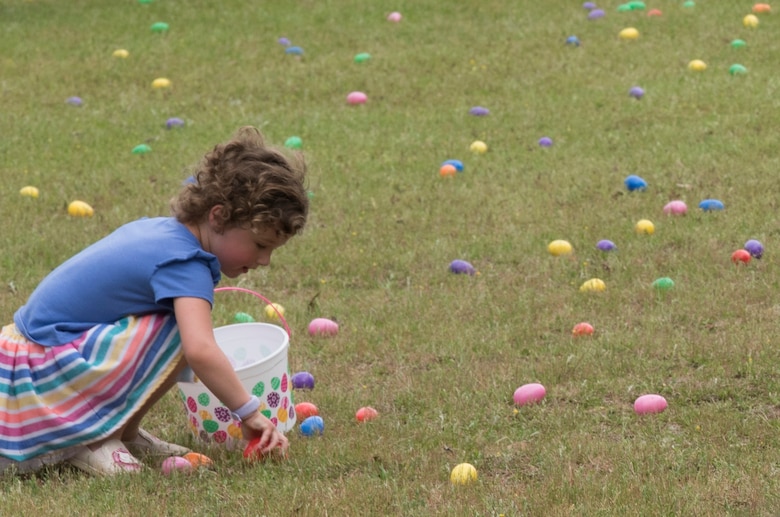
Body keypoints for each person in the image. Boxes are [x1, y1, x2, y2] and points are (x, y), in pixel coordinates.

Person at [0, 126, 309, 475]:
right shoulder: (186, 263)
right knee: (184, 329)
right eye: (260, 245)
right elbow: (201, 351)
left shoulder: (168, 234)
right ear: (218, 215)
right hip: (38, 372)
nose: (264, 260)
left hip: (37, 356)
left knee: (177, 324)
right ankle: (96, 440)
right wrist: (250, 412)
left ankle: (125, 433)